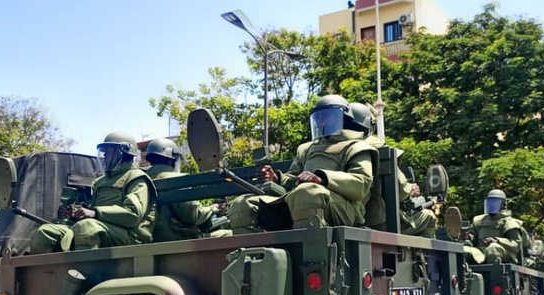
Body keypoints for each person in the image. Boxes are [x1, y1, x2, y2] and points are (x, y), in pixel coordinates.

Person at [227, 94, 378, 232]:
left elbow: (361, 184)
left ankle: (313, 258)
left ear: (343, 118)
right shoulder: (307, 149)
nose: (321, 121)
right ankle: (252, 257)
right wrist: (277, 179)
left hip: (344, 209)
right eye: (318, 117)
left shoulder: (358, 147)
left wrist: (321, 178)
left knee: (307, 192)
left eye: (327, 116)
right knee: (243, 204)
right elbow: (294, 181)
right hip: (301, 200)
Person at [30, 132, 156, 253]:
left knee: (87, 227)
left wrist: (95, 213)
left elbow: (133, 215)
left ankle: (85, 274)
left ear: (123, 152)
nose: (104, 155)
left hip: (131, 235)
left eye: (109, 150)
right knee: (45, 232)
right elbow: (91, 210)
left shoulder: (137, 178)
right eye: (104, 151)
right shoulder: (100, 182)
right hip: (101, 228)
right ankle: (46, 274)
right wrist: (74, 213)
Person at [349, 102, 437, 237]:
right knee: (429, 216)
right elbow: (401, 190)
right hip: (379, 223)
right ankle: (414, 257)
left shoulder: (333, 146)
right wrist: (410, 189)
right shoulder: (374, 146)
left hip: (349, 219)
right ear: (369, 125)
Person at [144, 137, 231, 241]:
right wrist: (214, 208)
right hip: (180, 240)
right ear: (172, 159)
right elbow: (194, 216)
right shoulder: (177, 180)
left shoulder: (142, 180)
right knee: (231, 234)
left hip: (150, 241)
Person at [464, 189, 529, 264]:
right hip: (480, 251)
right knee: (464, 250)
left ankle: (495, 274)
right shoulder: (478, 220)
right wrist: (469, 237)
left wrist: (497, 240)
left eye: (494, 202)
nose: (491, 205)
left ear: (503, 204)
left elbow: (515, 243)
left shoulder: (509, 222)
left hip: (503, 253)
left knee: (493, 248)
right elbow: (473, 236)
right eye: (489, 202)